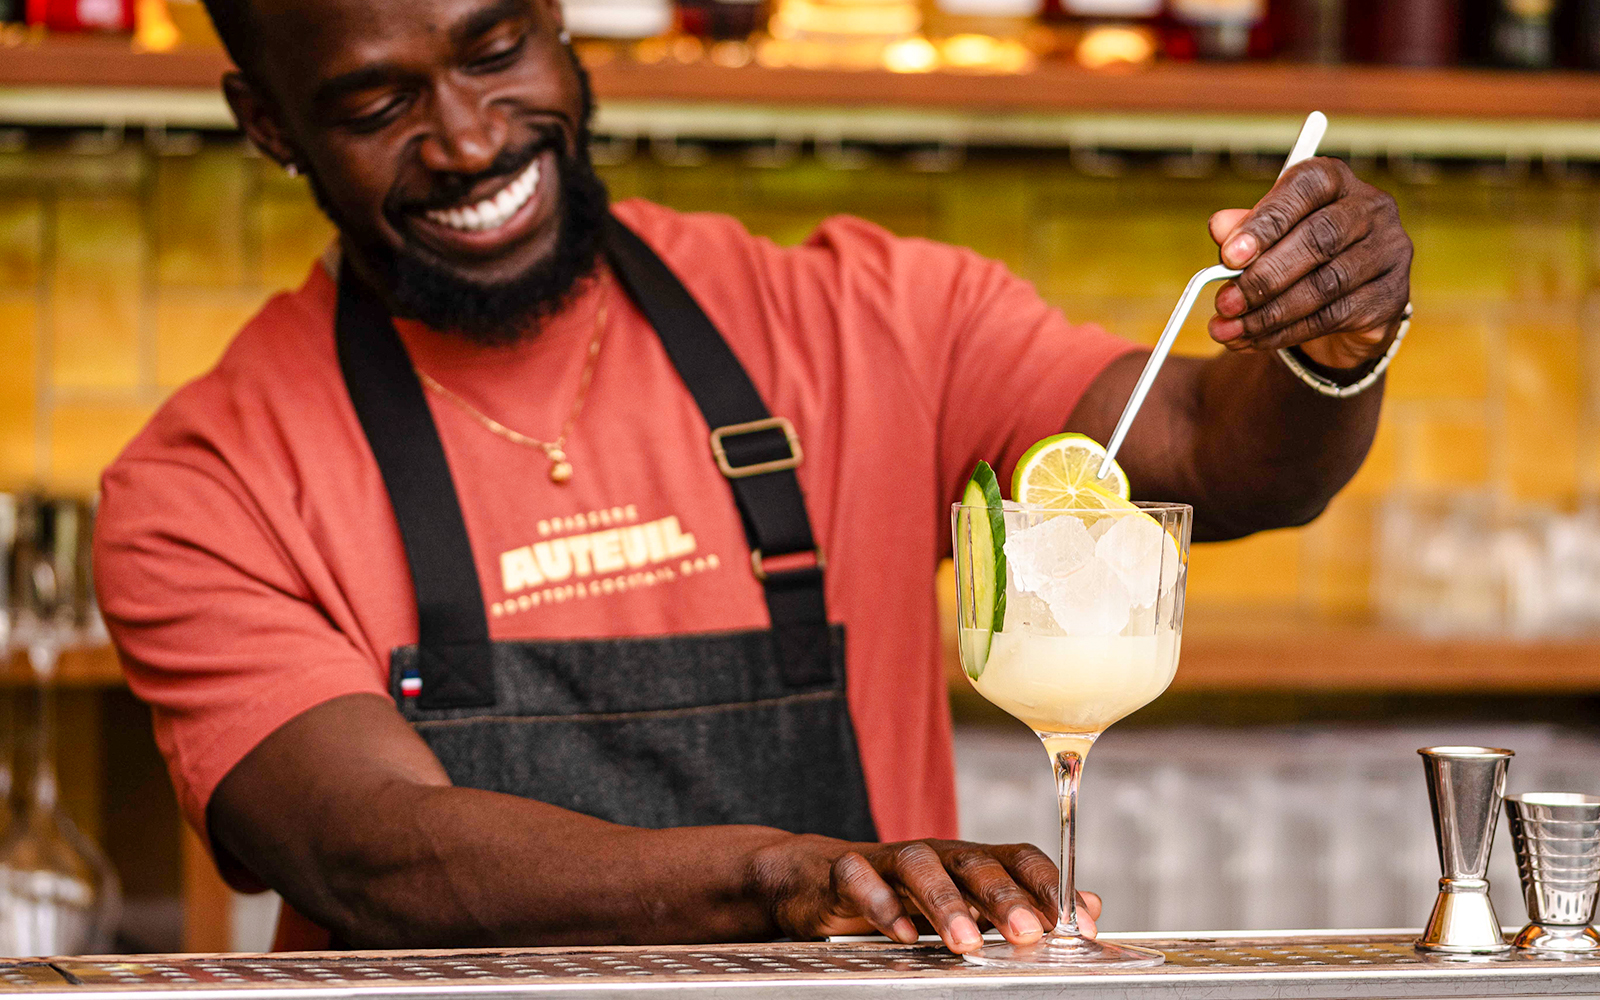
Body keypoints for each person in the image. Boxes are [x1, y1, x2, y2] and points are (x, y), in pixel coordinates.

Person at [93, 0, 1413, 955]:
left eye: (497, 50)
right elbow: (368, 851)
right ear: (265, 123)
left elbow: (1210, 458)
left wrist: (1332, 350)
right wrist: (787, 884)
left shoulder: (867, 320)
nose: (465, 139)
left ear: (560, 22)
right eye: (376, 104)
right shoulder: (204, 487)